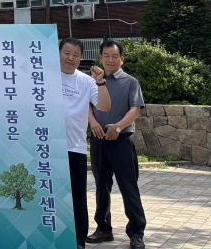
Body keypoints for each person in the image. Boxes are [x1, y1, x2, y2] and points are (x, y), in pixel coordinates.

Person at [87, 40, 147, 249]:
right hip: (98, 139)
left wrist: (118, 127)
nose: (110, 60)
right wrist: (93, 123)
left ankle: (136, 233)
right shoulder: (94, 81)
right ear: (100, 58)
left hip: (121, 140)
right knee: (101, 186)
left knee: (128, 187)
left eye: (114, 56)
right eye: (106, 55)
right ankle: (103, 229)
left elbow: (135, 110)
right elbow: (86, 105)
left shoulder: (131, 82)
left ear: (121, 59)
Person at [60, 37, 111, 249]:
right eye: (67, 53)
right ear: (59, 53)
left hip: (75, 147)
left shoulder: (86, 81)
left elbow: (105, 107)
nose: (70, 58)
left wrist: (100, 81)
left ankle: (78, 241)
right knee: (51, 195)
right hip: (47, 146)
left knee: (77, 197)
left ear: (80, 58)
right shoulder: (44, 76)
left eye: (76, 55)